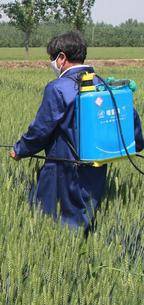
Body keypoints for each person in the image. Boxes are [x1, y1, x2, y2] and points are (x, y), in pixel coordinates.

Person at [9, 31, 144, 232]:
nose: (52, 63)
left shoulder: (58, 88)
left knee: (52, 220)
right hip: (96, 167)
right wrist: (138, 144)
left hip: (62, 168)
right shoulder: (105, 84)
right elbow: (129, 120)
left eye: (52, 58)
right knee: (86, 213)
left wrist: (20, 149)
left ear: (61, 58)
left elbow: (40, 129)